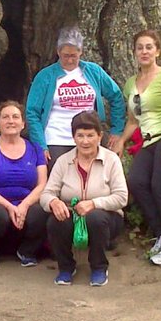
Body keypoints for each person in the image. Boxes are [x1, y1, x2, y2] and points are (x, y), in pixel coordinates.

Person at [120, 29, 161, 266]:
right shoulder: (131, 83)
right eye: (140, 47)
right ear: (135, 52)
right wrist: (120, 140)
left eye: (149, 47)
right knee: (136, 182)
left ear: (158, 51)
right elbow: (133, 120)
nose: (144, 51)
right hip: (148, 141)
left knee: (160, 184)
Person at [40, 111, 129, 287]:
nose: (85, 141)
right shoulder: (63, 161)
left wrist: (94, 203)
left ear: (99, 136)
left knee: (95, 217)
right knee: (55, 219)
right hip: (73, 216)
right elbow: (46, 194)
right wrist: (53, 202)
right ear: (73, 137)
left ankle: (98, 267)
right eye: (80, 135)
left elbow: (122, 197)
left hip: (106, 219)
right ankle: (66, 267)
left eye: (90, 135)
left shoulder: (111, 160)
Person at [26, 26, 126, 164]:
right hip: (57, 137)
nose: (70, 60)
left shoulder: (93, 71)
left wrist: (117, 130)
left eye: (74, 56)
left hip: (90, 135)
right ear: (58, 52)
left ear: (81, 52)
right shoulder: (45, 76)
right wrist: (40, 145)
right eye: (65, 55)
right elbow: (32, 112)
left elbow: (116, 97)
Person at [0, 101, 49, 268]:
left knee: (43, 210)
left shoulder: (36, 149)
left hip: (27, 203)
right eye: (5, 117)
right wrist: (9, 206)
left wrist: (24, 205)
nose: (10, 121)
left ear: (23, 124)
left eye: (15, 117)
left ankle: (27, 251)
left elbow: (42, 184)